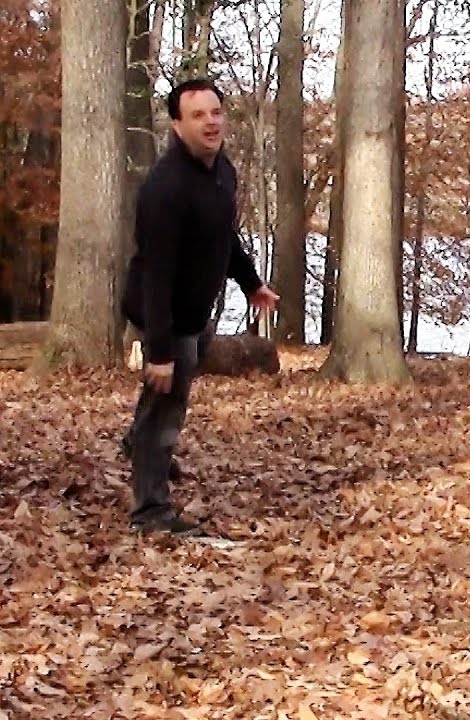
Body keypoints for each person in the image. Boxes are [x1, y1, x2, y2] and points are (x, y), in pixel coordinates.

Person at [121, 78, 279, 536]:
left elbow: (221, 237)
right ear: (177, 125)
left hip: (194, 314)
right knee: (166, 407)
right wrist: (161, 351)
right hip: (160, 313)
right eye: (198, 115)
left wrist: (251, 283)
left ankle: (137, 442)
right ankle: (150, 511)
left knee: (188, 363)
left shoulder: (222, 171)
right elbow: (157, 275)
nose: (211, 122)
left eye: (216, 112)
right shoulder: (165, 189)